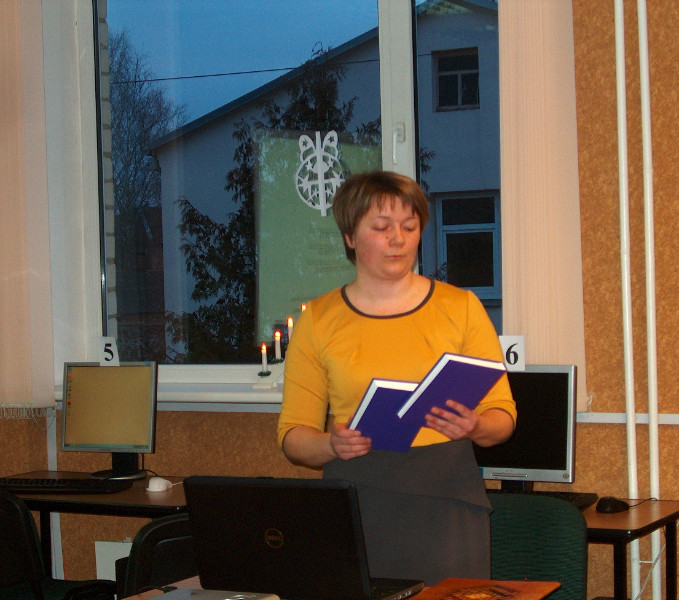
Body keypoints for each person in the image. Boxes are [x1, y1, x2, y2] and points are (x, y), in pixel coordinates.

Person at [277, 170, 516, 585]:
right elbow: (293, 436)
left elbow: (503, 416)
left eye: (409, 226)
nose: (398, 239)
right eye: (382, 227)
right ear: (350, 237)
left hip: (447, 499)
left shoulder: (461, 307)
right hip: (356, 498)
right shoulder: (318, 319)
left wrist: (476, 425)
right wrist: (331, 444)